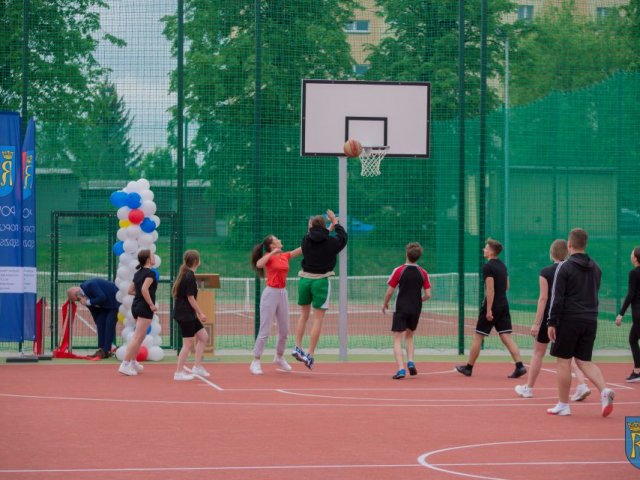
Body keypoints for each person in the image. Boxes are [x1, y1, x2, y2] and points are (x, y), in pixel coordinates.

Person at [546, 228, 615, 417]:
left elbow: (557, 298)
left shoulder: (564, 267)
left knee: (563, 362)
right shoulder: (596, 267)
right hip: (590, 319)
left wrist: (551, 322)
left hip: (569, 319)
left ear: (569, 245)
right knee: (584, 361)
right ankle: (604, 391)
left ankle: (563, 404)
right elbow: (594, 291)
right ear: (585, 244)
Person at [514, 240, 591, 400]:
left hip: (550, 317)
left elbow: (543, 298)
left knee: (538, 353)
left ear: (551, 253)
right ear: (567, 252)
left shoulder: (546, 272)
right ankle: (582, 385)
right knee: (568, 355)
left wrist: (536, 323)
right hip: (566, 317)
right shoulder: (572, 269)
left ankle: (528, 388)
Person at [456, 238, 526, 378]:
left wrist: (488, 310)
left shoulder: (487, 267)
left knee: (478, 336)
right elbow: (507, 286)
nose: (484, 250)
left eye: (486, 248)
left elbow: (490, 289)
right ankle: (520, 366)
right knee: (506, 335)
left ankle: (468, 367)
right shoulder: (502, 266)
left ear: (491, 251)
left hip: (493, 305)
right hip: (503, 304)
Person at [293, 209, 348, 369]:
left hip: (304, 280)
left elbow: (316, 236)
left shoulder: (305, 240)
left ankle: (297, 346)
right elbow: (343, 237)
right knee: (318, 318)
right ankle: (309, 354)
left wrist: (325, 228)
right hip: (321, 282)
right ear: (324, 226)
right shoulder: (332, 243)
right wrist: (335, 222)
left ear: (310, 227)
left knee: (303, 316)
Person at [249, 235, 302, 374]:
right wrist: (272, 252)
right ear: (272, 245)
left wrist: (317, 234)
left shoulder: (284, 256)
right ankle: (255, 361)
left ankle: (279, 357)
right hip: (270, 294)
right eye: (276, 239)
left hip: (282, 293)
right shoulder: (269, 256)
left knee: (284, 330)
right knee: (265, 331)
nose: (279, 239)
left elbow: (301, 250)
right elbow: (259, 264)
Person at [382, 242, 432, 379]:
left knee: (397, 339)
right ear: (419, 257)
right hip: (415, 309)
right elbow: (428, 294)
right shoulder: (423, 273)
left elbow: (389, 292)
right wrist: (418, 300)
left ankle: (401, 369)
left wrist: (385, 304)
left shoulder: (399, 270)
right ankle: (410, 361)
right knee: (410, 336)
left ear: (406, 254)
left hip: (401, 308)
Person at [172, 250, 210, 381]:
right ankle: (178, 372)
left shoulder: (187, 274)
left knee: (203, 336)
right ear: (196, 262)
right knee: (187, 343)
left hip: (188, 314)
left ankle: (197, 366)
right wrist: (201, 313)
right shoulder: (189, 276)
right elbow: (190, 298)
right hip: (185, 314)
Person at [118, 249, 157, 376]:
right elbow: (144, 289)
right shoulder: (150, 273)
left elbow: (130, 290)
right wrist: (151, 304)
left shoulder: (138, 273)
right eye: (152, 256)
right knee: (137, 337)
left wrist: (141, 295)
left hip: (136, 306)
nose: (154, 257)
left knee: (140, 336)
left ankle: (133, 362)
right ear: (148, 259)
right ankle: (124, 364)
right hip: (144, 307)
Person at [67, 278, 119, 359]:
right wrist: (98, 322)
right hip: (105, 305)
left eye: (77, 299)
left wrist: (88, 302)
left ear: (77, 294)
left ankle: (106, 350)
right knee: (100, 323)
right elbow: (94, 311)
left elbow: (102, 297)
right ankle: (101, 349)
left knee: (109, 324)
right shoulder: (83, 296)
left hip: (114, 301)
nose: (78, 301)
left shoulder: (90, 285)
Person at [615, 246, 640, 383]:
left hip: (638, 313)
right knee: (632, 339)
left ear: (635, 258)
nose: (630, 256)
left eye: (632, 254)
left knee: (633, 339)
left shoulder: (634, 273)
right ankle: (637, 371)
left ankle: (637, 371)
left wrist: (620, 314)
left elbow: (630, 294)